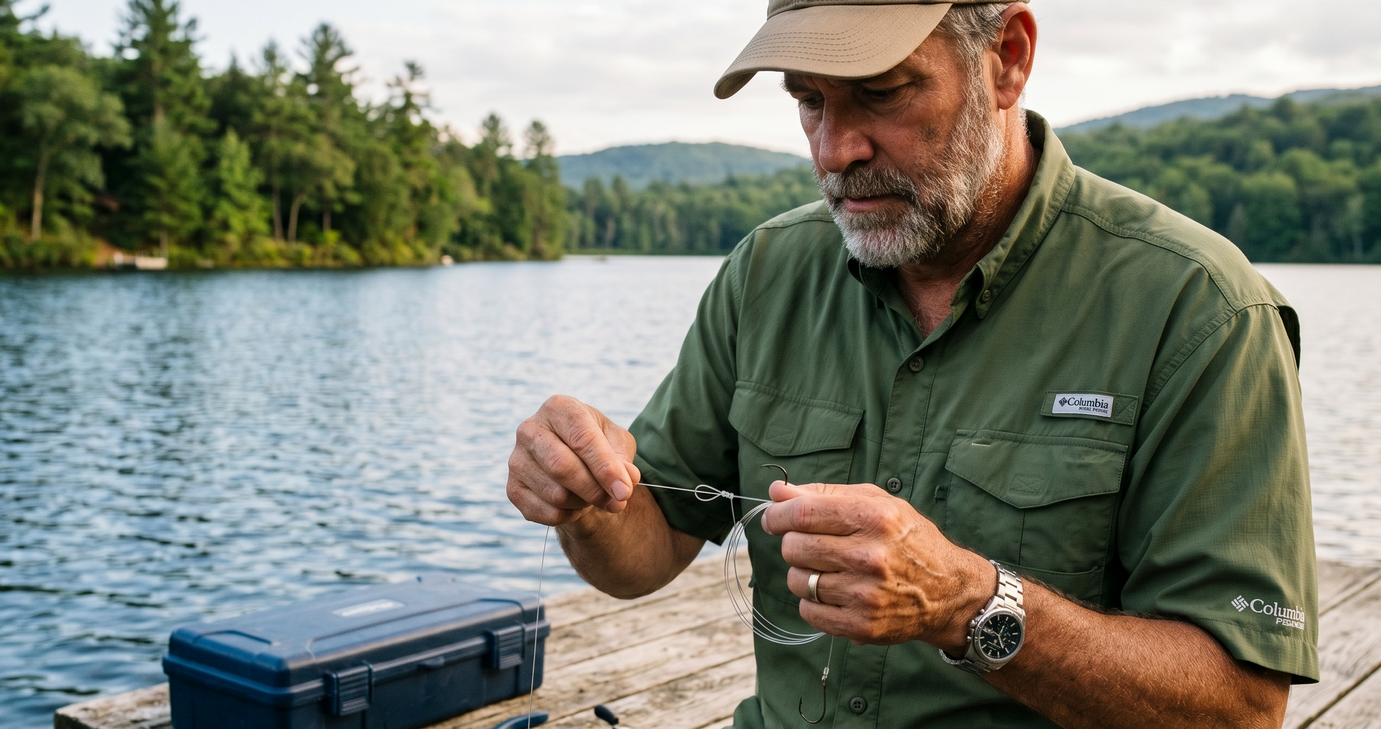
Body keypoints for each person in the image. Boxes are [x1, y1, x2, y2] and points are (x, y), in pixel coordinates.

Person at [506, 1, 1318, 726]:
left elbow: (1241, 706)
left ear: (1008, 58)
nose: (835, 149)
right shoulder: (765, 273)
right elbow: (646, 549)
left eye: (884, 92)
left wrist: (969, 602)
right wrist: (584, 497)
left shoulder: (1200, 309)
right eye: (808, 100)